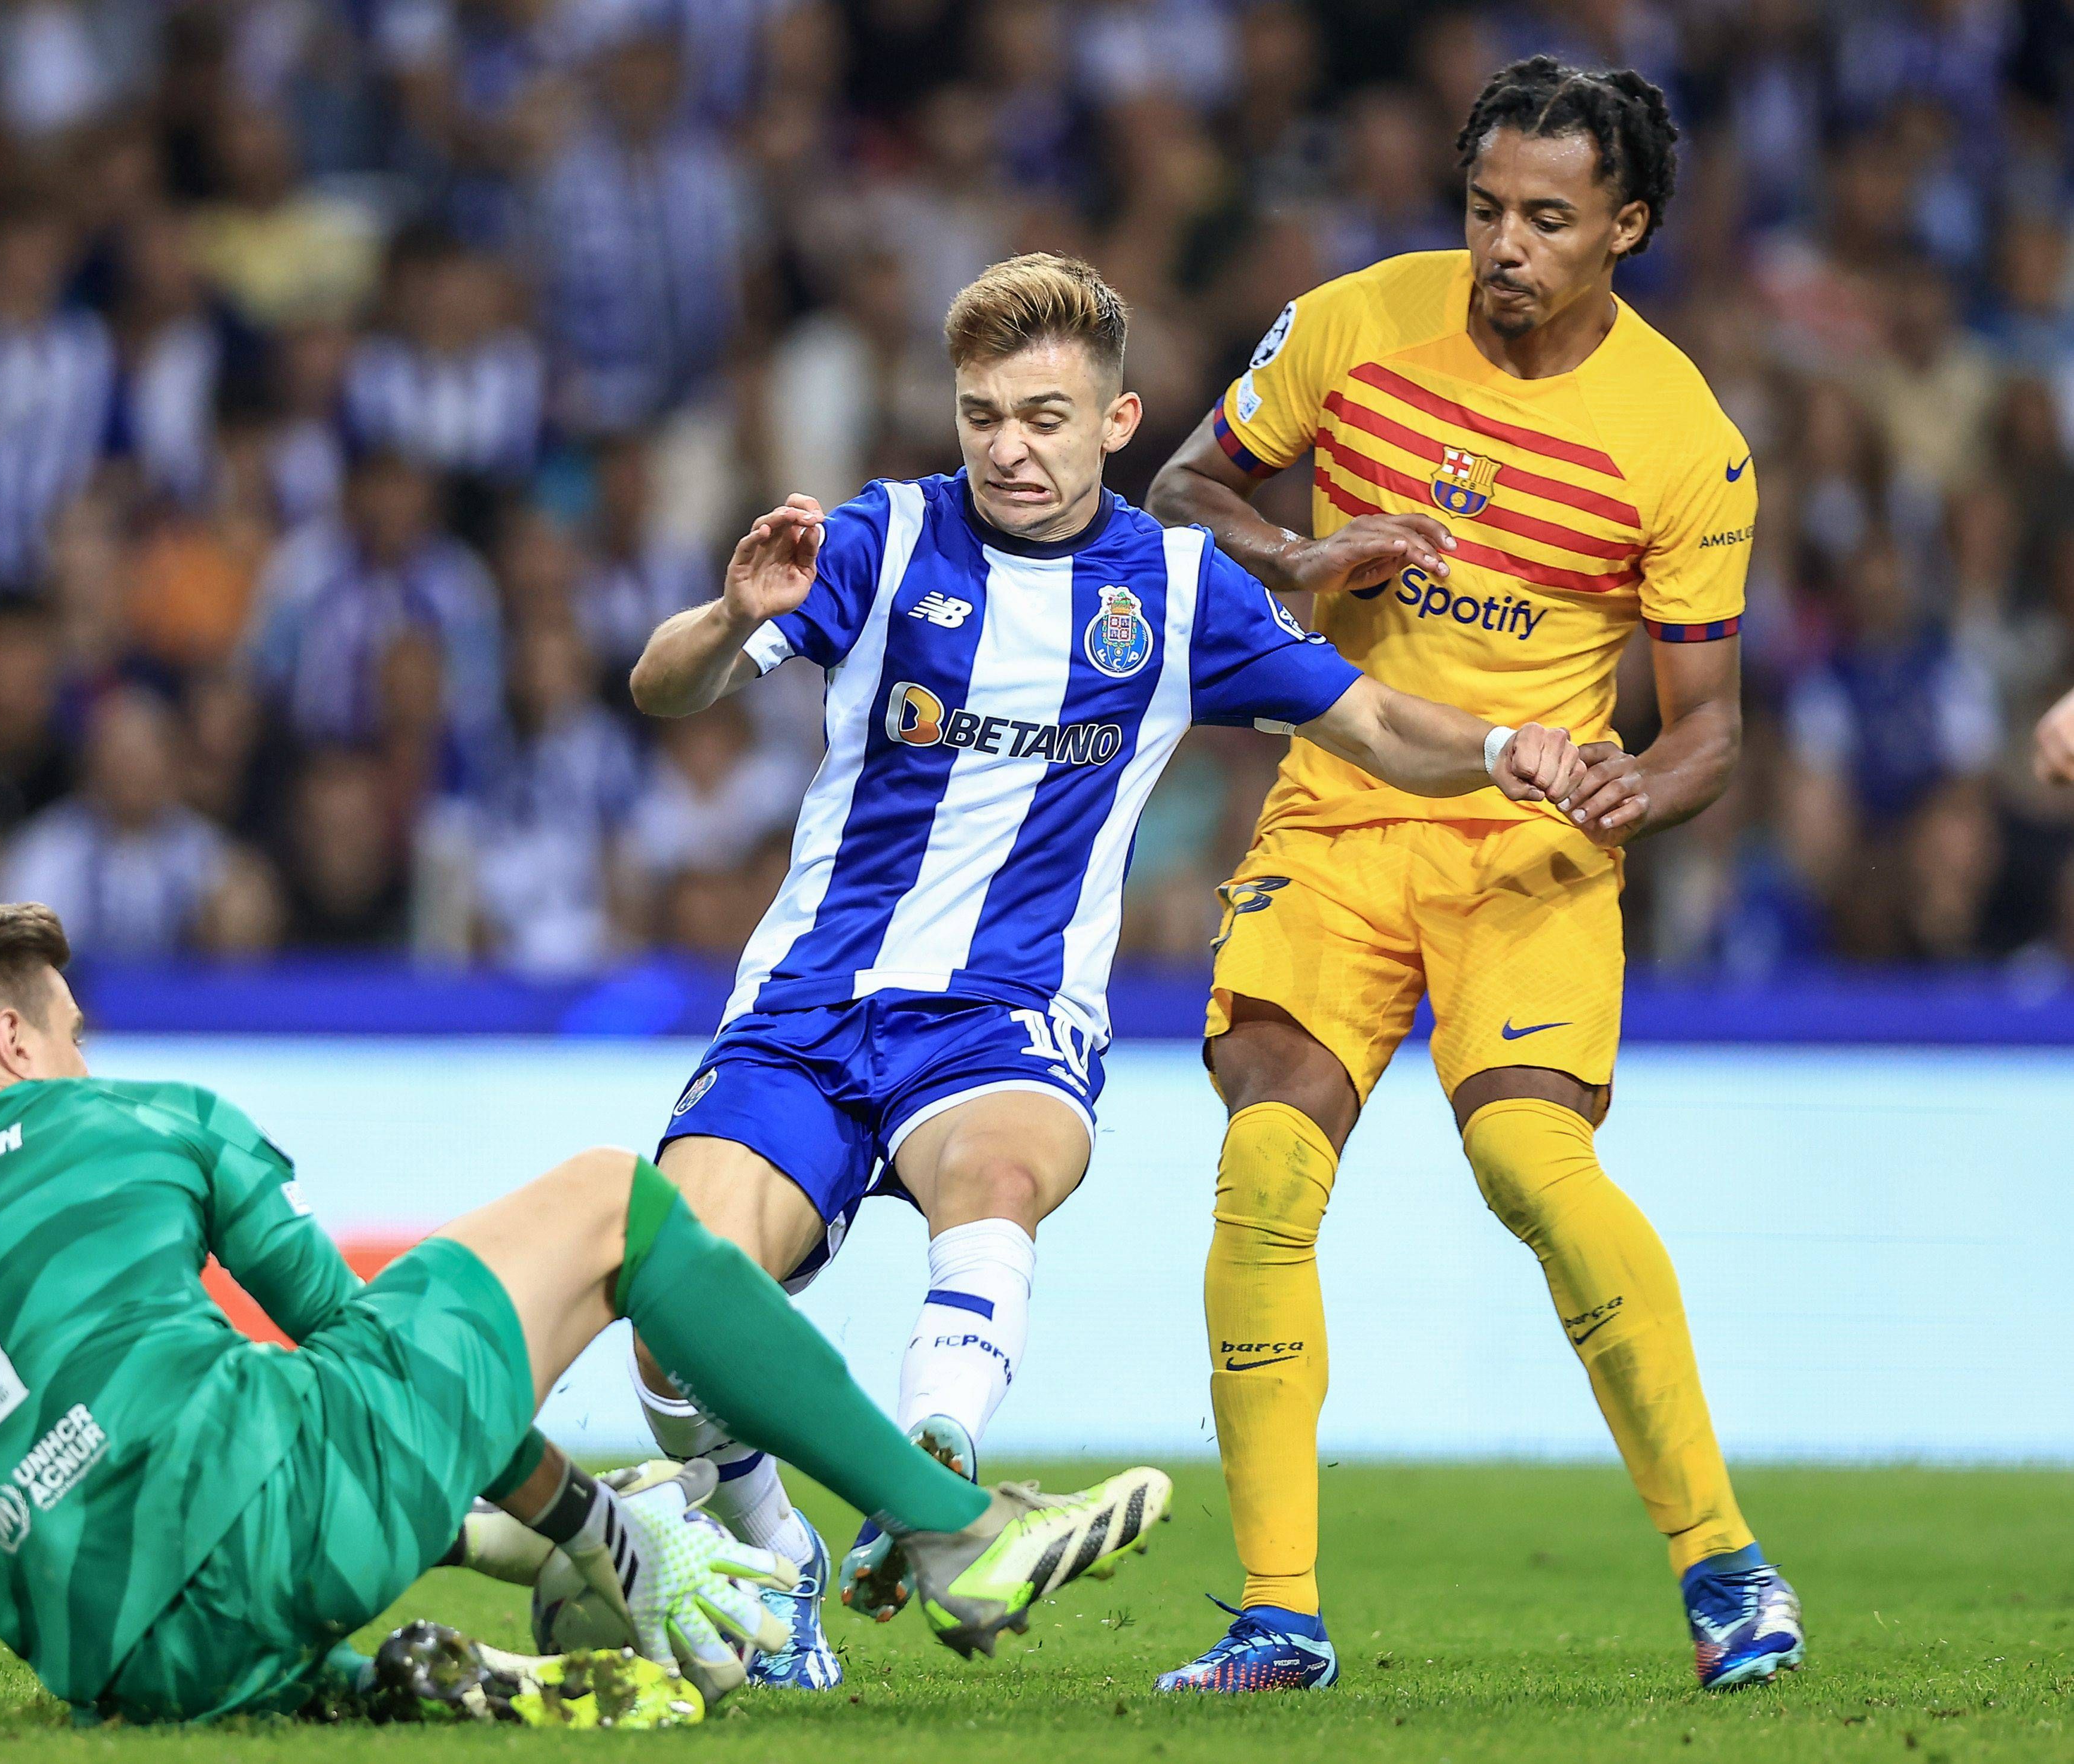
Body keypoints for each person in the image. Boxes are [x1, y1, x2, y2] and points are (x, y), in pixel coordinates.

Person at [624, 251, 1589, 1689]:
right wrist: (724, 618)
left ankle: (933, 1459)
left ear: (1119, 422)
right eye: (981, 415)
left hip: (1008, 1021)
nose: (1009, 447)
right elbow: (662, 688)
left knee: (997, 1176)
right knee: (671, 1308)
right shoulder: (884, 540)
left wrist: (1516, 750)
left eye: (1044, 416)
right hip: (811, 1010)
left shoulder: (1182, 585)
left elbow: (1377, 724)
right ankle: (777, 1551)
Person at [0, 900, 1172, 1726]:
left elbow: (111, 1493)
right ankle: (952, 1530)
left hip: (117, 1667)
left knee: (229, 1462)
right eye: (69, 1031)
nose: (84, 1055)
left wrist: (552, 1541)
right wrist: (598, 1528)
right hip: (290, 1513)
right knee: (616, 1201)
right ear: (18, 1047)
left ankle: (395, 1685)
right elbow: (355, 1352)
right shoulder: (134, 1120)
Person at [1143, 57, 1801, 1693]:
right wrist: (1295, 555)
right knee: (1267, 1158)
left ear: (1624, 228)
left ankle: (1723, 1566)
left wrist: (1626, 788)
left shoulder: (1680, 442)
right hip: (1340, 807)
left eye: (1546, 219)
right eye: (1482, 208)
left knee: (1528, 1162)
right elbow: (1175, 488)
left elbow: (1706, 728)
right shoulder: (1351, 324)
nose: (1501, 244)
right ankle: (1276, 1614)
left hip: (1528, 842)